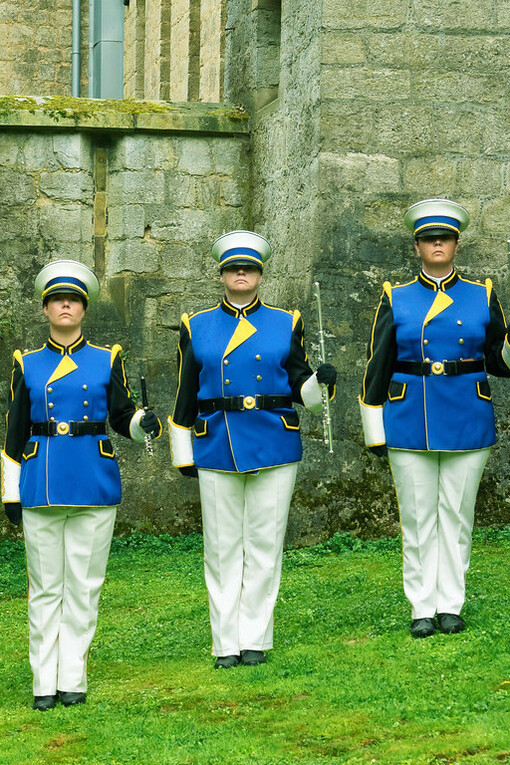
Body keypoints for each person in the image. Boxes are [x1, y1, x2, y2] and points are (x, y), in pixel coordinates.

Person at [168, 230, 337, 668]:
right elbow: (186, 392)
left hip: (274, 439)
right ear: (222, 274)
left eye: (249, 268)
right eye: (233, 268)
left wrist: (322, 382)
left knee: (264, 543)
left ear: (260, 274)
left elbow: (300, 387)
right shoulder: (196, 325)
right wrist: (183, 450)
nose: (241, 273)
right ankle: (225, 642)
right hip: (216, 441)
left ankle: (256, 638)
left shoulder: (287, 321)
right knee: (222, 547)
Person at [1, 260, 161, 710]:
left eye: (72, 299)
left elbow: (121, 415)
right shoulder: (26, 364)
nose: (64, 305)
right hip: (42, 482)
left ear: (83, 308)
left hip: (93, 481)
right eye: (56, 300)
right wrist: (10, 490)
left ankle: (72, 676)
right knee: (47, 587)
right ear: (46, 309)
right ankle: (42, 682)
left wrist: (141, 424)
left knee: (85, 586)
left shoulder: (107, 358)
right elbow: (13, 433)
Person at [359, 198, 510, 638]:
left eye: (444, 237)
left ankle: (451, 603)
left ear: (456, 244)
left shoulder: (482, 295)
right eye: (429, 239)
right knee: (418, 518)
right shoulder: (396, 297)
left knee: (457, 517)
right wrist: (374, 427)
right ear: (417, 247)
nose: (437, 244)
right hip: (410, 416)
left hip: (467, 413)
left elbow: (501, 362)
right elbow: (377, 365)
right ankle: (422, 607)